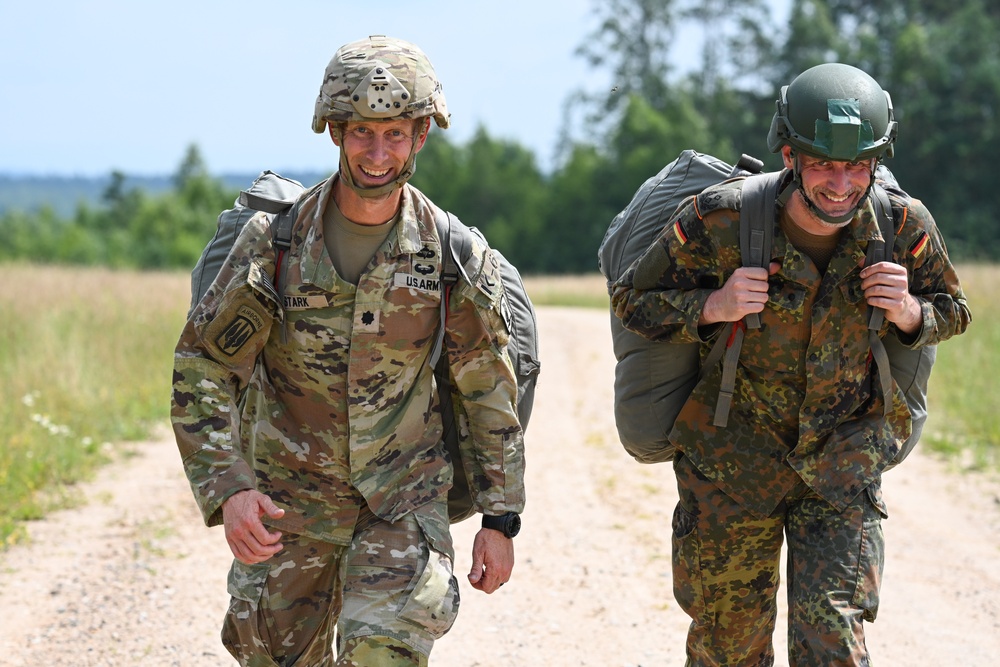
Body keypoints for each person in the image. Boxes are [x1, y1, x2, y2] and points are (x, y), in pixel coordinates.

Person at [171, 35, 525, 667]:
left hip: (401, 502)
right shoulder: (273, 245)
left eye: (395, 132)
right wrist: (230, 489)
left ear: (421, 134)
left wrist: (500, 520)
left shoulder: (451, 255)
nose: (378, 152)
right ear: (334, 130)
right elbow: (204, 366)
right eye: (362, 131)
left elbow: (486, 390)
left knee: (381, 653)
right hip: (290, 505)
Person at [610, 63, 970, 666]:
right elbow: (632, 301)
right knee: (730, 648)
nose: (840, 183)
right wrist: (712, 305)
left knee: (833, 645)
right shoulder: (721, 220)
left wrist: (909, 311)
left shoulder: (903, 226)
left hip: (842, 464)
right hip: (731, 464)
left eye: (857, 166)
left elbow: (952, 309)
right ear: (789, 157)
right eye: (824, 164)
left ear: (875, 164)